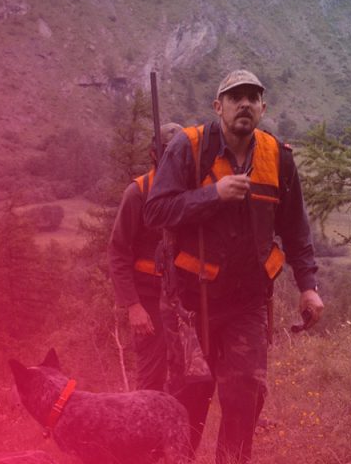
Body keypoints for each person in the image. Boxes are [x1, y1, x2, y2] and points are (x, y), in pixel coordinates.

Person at [144, 69, 325, 463]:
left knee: (245, 397)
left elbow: (295, 227)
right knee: (189, 399)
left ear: (263, 107)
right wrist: (213, 195)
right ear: (218, 106)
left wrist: (308, 285)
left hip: (247, 303)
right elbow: (156, 211)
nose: (244, 104)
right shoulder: (188, 148)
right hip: (191, 305)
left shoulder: (277, 156)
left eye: (252, 97)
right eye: (234, 97)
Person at [107, 122, 184, 391]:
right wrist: (133, 306)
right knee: (151, 380)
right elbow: (118, 252)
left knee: (188, 379)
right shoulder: (137, 193)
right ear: (154, 153)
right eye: (168, 151)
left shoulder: (193, 195)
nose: (176, 157)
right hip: (149, 300)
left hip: (185, 300)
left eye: (181, 151)